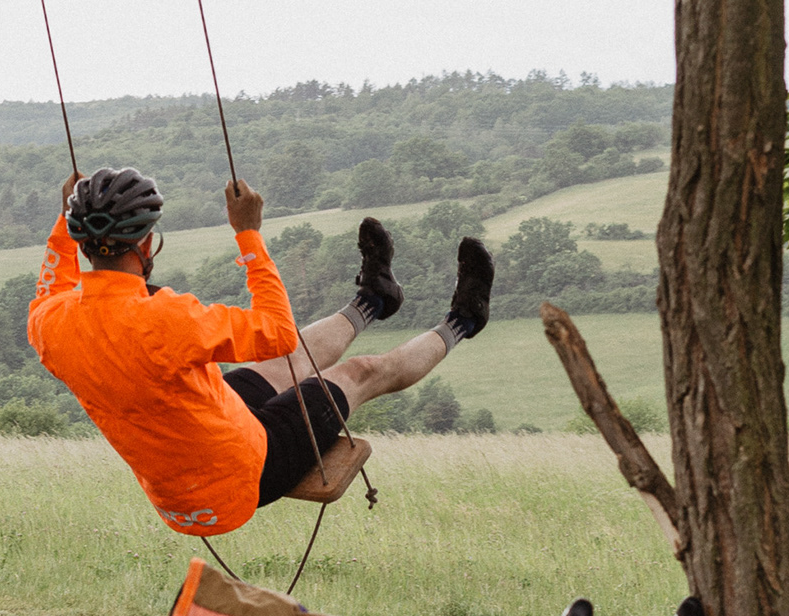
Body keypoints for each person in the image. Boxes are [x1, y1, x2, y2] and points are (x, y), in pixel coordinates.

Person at [27, 166, 493, 537]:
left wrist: (64, 222)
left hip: (181, 477)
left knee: (290, 363)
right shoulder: (167, 319)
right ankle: (464, 319)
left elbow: (53, 282)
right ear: (147, 243)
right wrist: (248, 233)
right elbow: (278, 331)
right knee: (360, 372)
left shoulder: (49, 322)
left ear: (82, 243)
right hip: (238, 478)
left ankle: (374, 300)